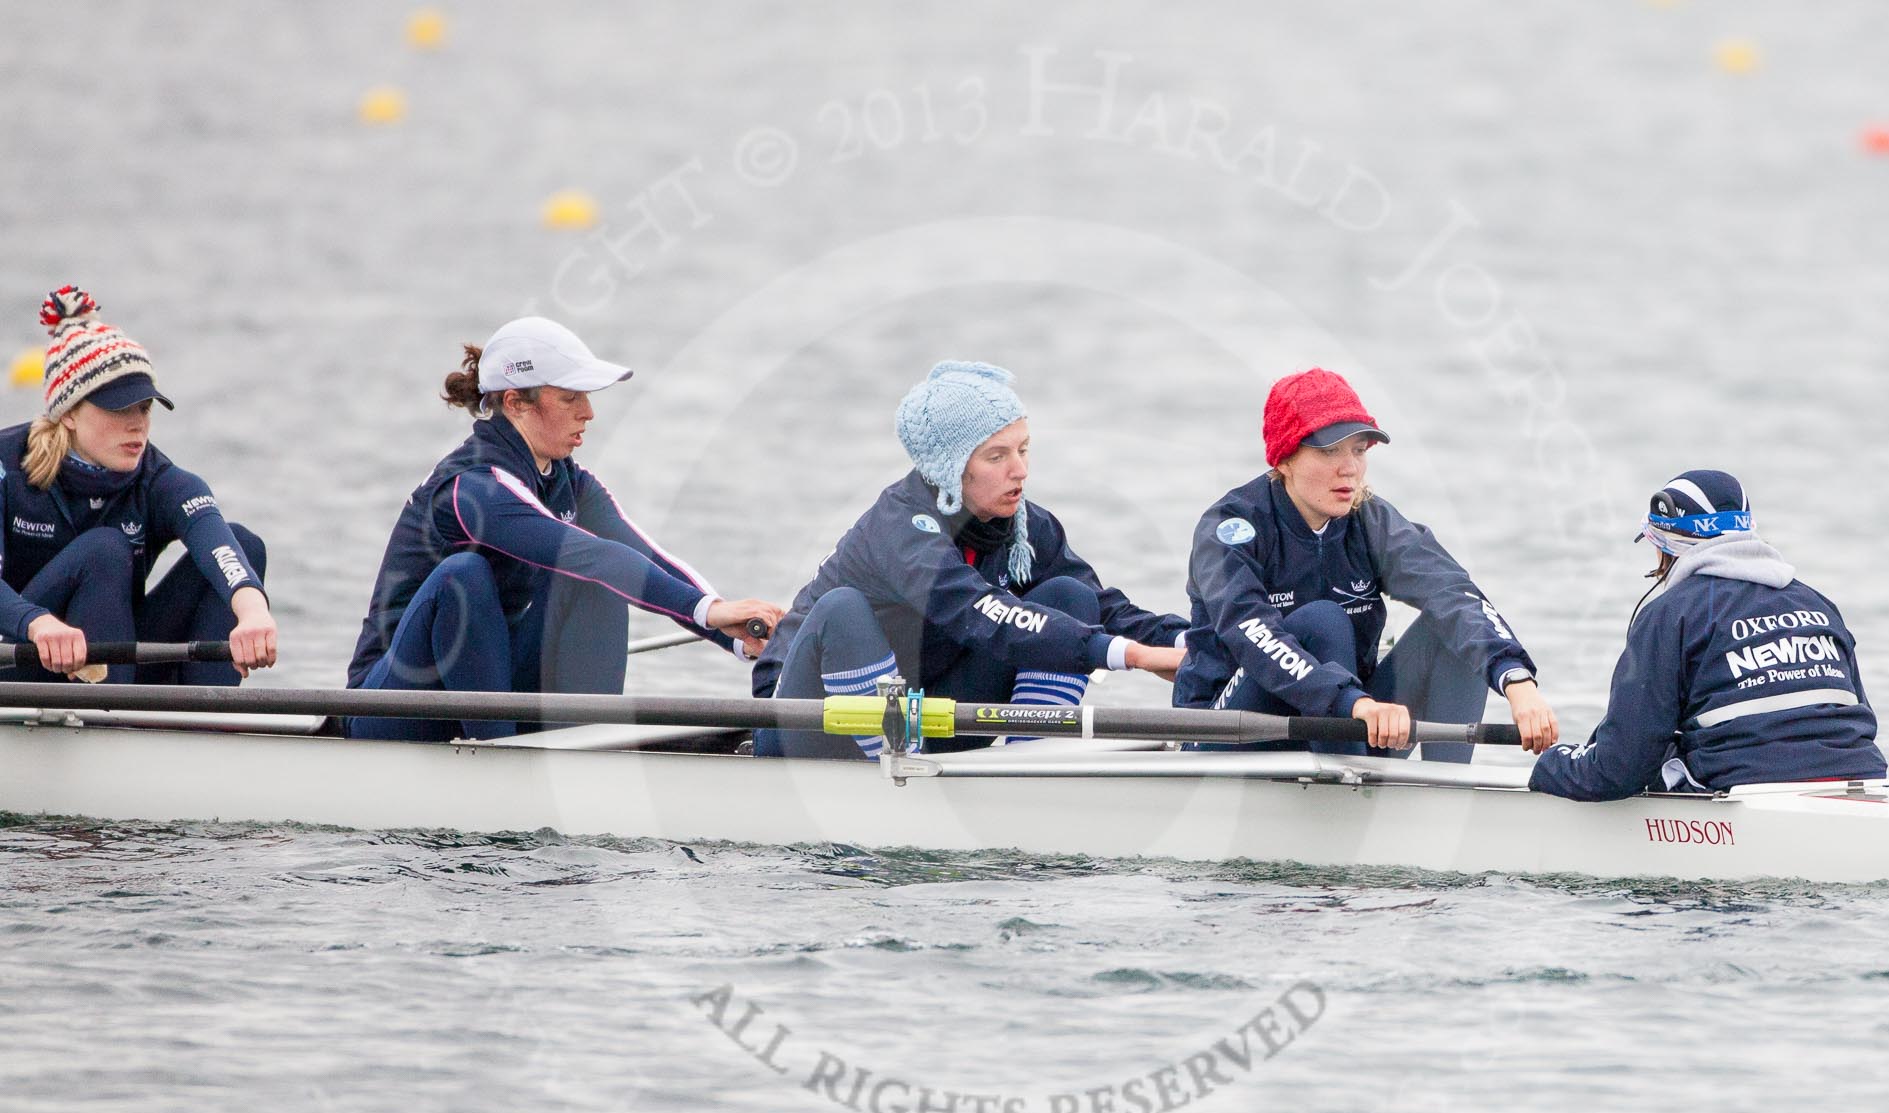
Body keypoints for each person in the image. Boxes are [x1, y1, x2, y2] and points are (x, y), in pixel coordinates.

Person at [345, 317, 780, 741]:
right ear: (516, 402)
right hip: (391, 704)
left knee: (598, 582)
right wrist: (706, 612)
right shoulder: (471, 489)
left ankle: (580, 749)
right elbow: (597, 558)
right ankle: (496, 767)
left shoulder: (567, 480)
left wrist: (733, 631)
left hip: (485, 684)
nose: (588, 413)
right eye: (571, 397)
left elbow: (648, 558)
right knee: (465, 575)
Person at [753, 360, 1187, 759]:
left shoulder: (1026, 527)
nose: (1020, 471)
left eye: (1023, 449)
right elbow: (979, 611)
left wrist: (1195, 644)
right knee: (841, 608)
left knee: (1070, 597)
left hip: (923, 715)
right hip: (806, 725)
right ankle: (884, 773)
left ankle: (1028, 772)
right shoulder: (899, 527)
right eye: (997, 456)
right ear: (950, 468)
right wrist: (1130, 656)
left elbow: (1109, 611)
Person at [1175, 367, 1558, 761]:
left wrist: (1516, 680)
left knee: (1451, 628)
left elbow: (1452, 591)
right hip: (1226, 735)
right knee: (1322, 621)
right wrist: (1353, 701)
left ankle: (1443, 803)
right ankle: (1352, 793)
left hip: (1347, 724)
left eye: (1358, 450)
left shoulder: (1370, 520)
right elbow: (1251, 630)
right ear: (1284, 458)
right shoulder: (1230, 528)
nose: (1350, 468)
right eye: (1329, 451)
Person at [1531, 470, 1886, 800]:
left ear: (1669, 543)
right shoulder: (1818, 603)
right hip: (1861, 778)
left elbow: (1619, 768)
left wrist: (1553, 764)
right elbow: (1860, 717)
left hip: (1749, 788)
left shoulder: (1669, 615)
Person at [0, 286, 275, 685]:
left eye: (144, 408)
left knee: (244, 543)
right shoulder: (6, 463)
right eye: (118, 408)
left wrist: (253, 610)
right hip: (19, 655)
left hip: (108, 658)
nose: (137, 425)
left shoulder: (156, 478)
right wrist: (38, 623)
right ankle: (113, 720)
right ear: (69, 413)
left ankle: (211, 725)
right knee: (105, 549)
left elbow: (215, 540)